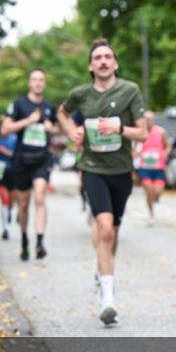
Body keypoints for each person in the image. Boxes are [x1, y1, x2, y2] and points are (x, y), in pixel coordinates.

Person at [57, 38, 147, 326]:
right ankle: (108, 298)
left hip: (121, 171)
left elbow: (143, 133)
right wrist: (73, 131)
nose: (104, 61)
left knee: (112, 234)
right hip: (92, 168)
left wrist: (120, 127)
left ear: (115, 63)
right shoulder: (81, 94)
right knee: (105, 228)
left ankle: (102, 272)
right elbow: (62, 112)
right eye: (98, 58)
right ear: (90, 66)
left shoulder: (129, 90)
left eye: (108, 56)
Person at [2, 68, 58, 261]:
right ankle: (25, 238)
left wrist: (52, 128)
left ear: (45, 83)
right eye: (34, 79)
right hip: (21, 160)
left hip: (42, 159)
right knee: (23, 204)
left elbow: (60, 130)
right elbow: (5, 129)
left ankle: (40, 242)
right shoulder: (19, 105)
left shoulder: (50, 107)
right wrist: (28, 121)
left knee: (40, 198)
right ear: (29, 83)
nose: (38, 83)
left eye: (41, 79)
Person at [132, 111, 173, 222]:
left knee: (157, 191)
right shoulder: (139, 133)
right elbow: (134, 148)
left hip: (158, 167)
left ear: (153, 120)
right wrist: (135, 154)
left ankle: (154, 198)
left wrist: (165, 153)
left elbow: (168, 145)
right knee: (149, 189)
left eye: (150, 119)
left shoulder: (161, 132)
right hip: (144, 167)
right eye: (146, 119)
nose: (148, 121)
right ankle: (151, 213)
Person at [0, 126, 17, 240]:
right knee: (4, 199)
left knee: (12, 199)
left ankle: (10, 209)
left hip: (13, 170)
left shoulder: (15, 139)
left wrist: (6, 152)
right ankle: (5, 228)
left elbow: (17, 155)